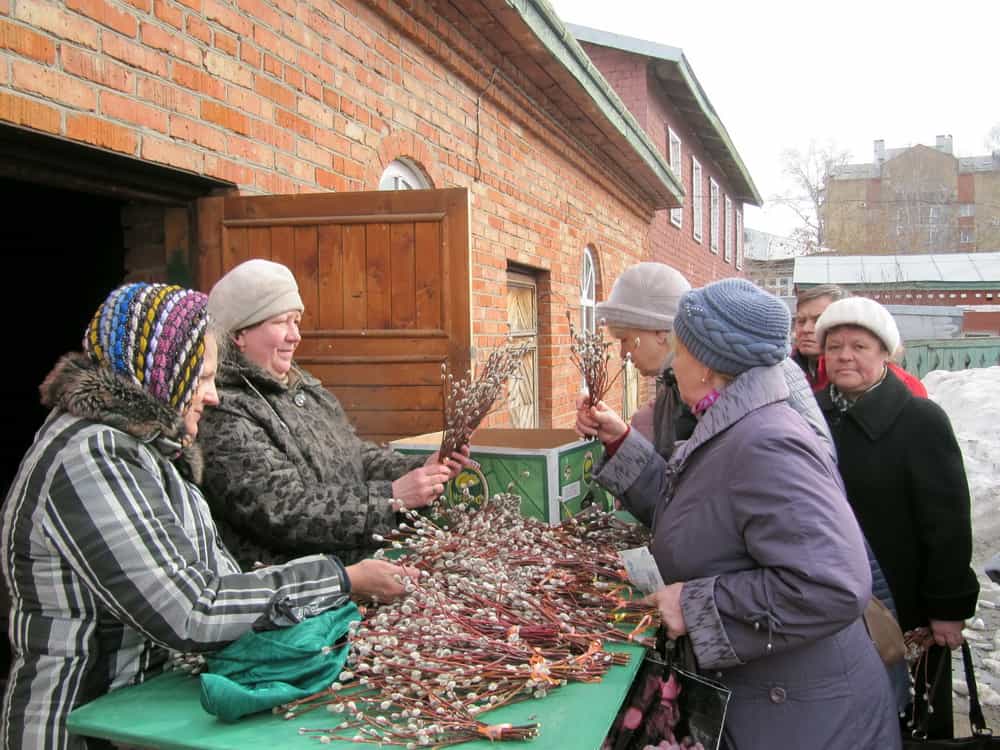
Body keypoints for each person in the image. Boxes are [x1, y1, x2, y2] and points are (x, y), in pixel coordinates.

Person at [0, 283, 416, 750]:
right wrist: (342, 579)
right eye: (201, 379)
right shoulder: (94, 454)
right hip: (82, 726)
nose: (213, 396)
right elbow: (192, 609)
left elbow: (219, 578)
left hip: (148, 717)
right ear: (161, 374)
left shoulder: (153, 453)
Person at [577, 279, 900, 749]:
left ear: (707, 367)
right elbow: (692, 518)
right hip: (778, 707)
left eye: (681, 352)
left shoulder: (766, 442)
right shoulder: (732, 423)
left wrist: (693, 605)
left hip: (806, 722)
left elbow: (832, 584)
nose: (674, 365)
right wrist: (622, 443)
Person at [197, 259, 472, 569]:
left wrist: (419, 468)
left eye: (296, 321)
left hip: (358, 569)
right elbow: (282, 511)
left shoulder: (304, 388)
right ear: (239, 334)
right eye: (280, 322)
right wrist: (390, 499)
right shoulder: (224, 410)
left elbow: (354, 456)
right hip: (297, 594)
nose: (295, 335)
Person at [814, 295, 979, 739]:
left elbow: (947, 525)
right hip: (832, 604)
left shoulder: (919, 420)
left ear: (885, 353)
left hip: (908, 614)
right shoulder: (810, 416)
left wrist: (947, 608)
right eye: (834, 346)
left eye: (859, 346)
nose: (844, 355)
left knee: (909, 723)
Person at [792, 283, 927, 397]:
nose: (806, 329)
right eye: (801, 321)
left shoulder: (906, 389)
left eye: (818, 320)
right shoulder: (784, 370)